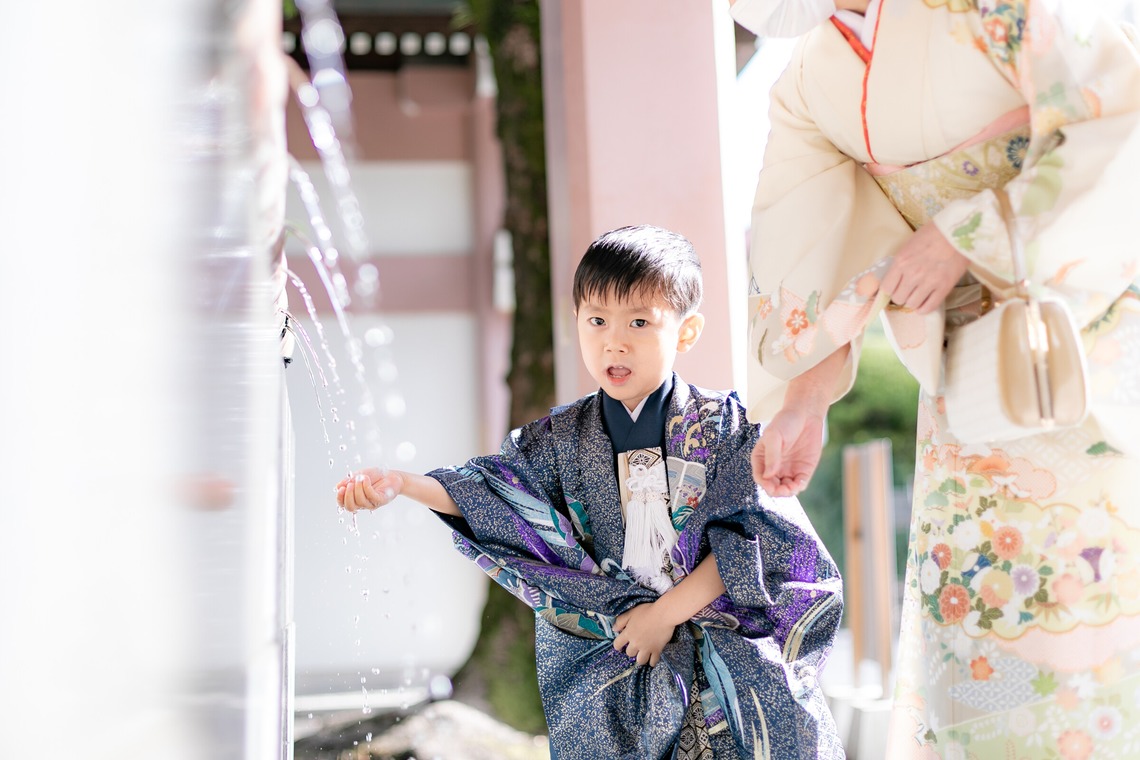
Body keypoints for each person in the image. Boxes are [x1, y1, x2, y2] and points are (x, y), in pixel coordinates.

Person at [730, 0, 1140, 756]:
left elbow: (1123, 115)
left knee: (1107, 596)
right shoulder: (809, 83)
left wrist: (973, 232)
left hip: (1089, 333)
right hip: (976, 380)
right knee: (982, 617)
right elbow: (812, 242)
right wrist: (807, 397)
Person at [337, 225, 845, 759]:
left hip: (719, 644)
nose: (613, 341)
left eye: (640, 322)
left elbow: (753, 544)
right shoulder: (558, 439)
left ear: (687, 331)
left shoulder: (726, 428)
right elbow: (492, 492)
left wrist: (666, 614)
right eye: (597, 321)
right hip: (614, 646)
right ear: (574, 321)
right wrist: (403, 484)